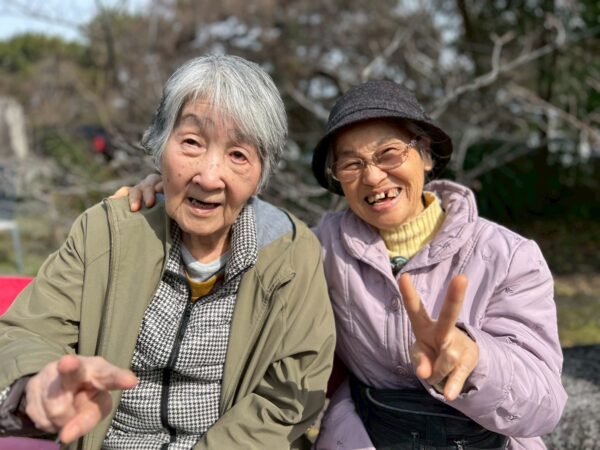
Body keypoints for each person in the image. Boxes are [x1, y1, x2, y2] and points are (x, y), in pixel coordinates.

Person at [119, 80, 567, 449]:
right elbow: (236, 227)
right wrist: (170, 194)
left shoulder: (509, 256)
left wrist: (474, 361)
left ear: (427, 155)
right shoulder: (321, 249)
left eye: (390, 153)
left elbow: (545, 406)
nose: (373, 176)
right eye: (350, 164)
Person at [0, 54, 335, 450]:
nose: (209, 176)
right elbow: (31, 330)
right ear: (160, 146)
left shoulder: (291, 255)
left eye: (238, 155)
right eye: (192, 142)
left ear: (261, 175)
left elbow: (288, 397)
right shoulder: (107, 232)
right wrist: (37, 382)